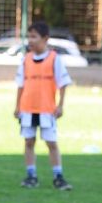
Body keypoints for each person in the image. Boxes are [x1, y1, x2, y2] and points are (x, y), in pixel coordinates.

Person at [14, 21, 73, 191]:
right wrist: (17, 106)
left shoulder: (55, 59)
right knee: (29, 142)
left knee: (51, 143)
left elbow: (63, 83)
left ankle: (58, 176)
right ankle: (31, 175)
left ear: (45, 38)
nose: (30, 41)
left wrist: (60, 105)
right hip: (27, 108)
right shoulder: (26, 60)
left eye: (34, 37)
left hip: (47, 109)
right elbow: (20, 84)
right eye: (29, 37)